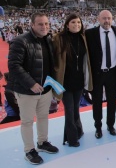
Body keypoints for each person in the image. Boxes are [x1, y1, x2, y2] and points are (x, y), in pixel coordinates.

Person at [8, 12, 59, 165]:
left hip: (45, 89)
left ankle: (42, 142)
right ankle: (29, 150)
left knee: (43, 117)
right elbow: (14, 66)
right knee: (27, 121)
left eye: (46, 24)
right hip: (26, 91)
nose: (44, 27)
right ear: (32, 25)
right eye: (40, 24)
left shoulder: (48, 40)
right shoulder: (20, 41)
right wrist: (31, 83)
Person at [52, 13, 93, 147]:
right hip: (65, 82)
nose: (76, 25)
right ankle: (71, 138)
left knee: (75, 109)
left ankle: (78, 131)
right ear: (67, 25)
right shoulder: (59, 38)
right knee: (69, 111)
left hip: (79, 81)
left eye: (78, 23)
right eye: (73, 22)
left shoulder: (83, 38)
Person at [85, 10, 116, 139]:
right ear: (98, 19)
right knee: (96, 102)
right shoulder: (90, 34)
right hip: (97, 73)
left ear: (112, 19)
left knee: (112, 101)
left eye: (109, 18)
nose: (106, 21)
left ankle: (110, 125)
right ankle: (98, 127)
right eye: (104, 18)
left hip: (112, 73)